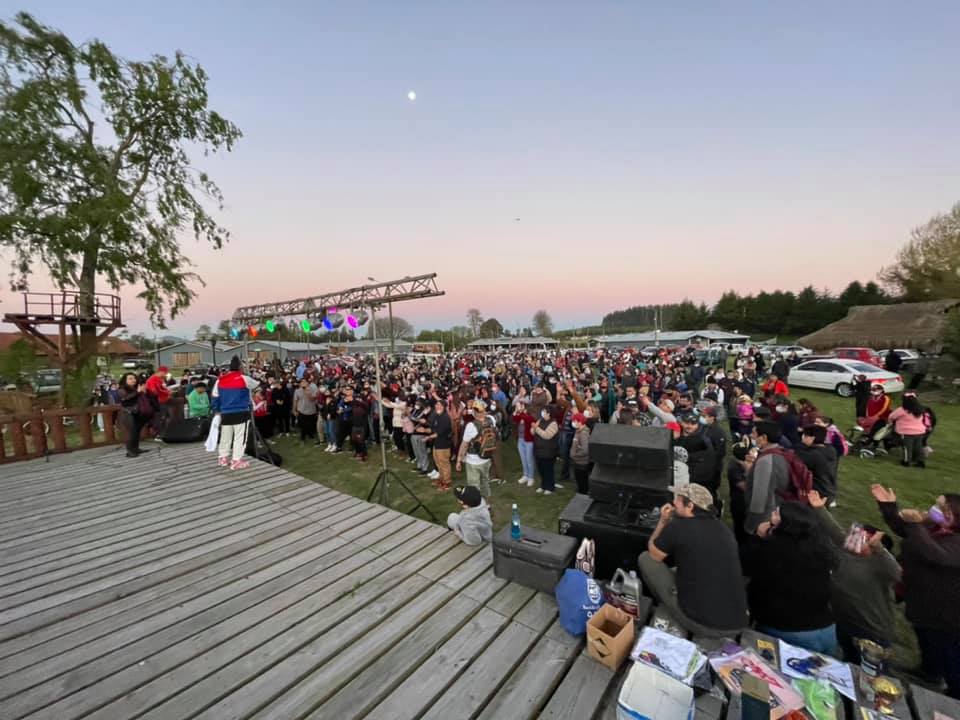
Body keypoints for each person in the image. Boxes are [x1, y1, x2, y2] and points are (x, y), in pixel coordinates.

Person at [872, 485, 960, 698]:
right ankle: (929, 671)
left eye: (940, 506)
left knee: (948, 651)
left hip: (945, 611)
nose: (934, 509)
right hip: (922, 599)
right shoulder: (933, 527)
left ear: (952, 515)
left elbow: (934, 553)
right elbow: (905, 529)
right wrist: (889, 507)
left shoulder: (954, 542)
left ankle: (954, 693)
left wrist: (914, 525)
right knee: (925, 637)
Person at [639, 483, 748, 637]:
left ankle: (668, 605)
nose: (673, 502)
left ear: (690, 505)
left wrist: (663, 521)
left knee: (646, 559)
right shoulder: (724, 530)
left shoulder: (678, 526)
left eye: (678, 499)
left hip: (703, 624)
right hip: (738, 622)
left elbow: (654, 553)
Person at [807, 490, 900, 664]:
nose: (852, 539)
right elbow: (834, 530)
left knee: (871, 671)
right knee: (849, 659)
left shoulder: (879, 565)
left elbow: (896, 572)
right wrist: (819, 508)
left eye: (861, 538)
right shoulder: (847, 551)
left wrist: (880, 550)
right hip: (844, 621)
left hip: (871, 630)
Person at [743, 502, 838, 653]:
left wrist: (758, 537)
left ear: (786, 524)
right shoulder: (820, 548)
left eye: (776, 514)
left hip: (788, 630)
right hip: (826, 629)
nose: (771, 515)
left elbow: (745, 566)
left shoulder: (773, 549)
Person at [211, 355, 260, 469]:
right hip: (240, 411)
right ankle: (236, 460)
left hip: (225, 412)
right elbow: (257, 385)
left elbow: (214, 396)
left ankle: (223, 458)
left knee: (225, 436)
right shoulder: (244, 378)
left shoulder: (220, 380)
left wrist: (217, 410)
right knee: (240, 437)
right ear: (240, 367)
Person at [743, 421, 792, 535]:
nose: (751, 436)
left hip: (763, 519)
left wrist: (751, 526)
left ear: (764, 437)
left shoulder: (766, 461)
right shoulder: (781, 452)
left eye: (754, 433)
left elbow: (760, 500)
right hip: (775, 509)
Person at [456, 400, 495, 501]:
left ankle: (477, 506)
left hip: (473, 460)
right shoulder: (491, 420)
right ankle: (487, 504)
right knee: (485, 482)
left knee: (474, 486)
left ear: (474, 412)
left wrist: (459, 460)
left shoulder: (471, 426)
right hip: (487, 457)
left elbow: (464, 445)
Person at [796, 425, 838, 502]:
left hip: (817, 493)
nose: (802, 437)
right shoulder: (831, 450)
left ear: (812, 438)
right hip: (829, 489)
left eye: (805, 435)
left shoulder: (811, 455)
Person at [888, 392, 927, 468]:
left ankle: (906, 461)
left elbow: (891, 417)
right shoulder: (920, 409)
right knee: (918, 447)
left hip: (906, 432)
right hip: (919, 431)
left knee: (907, 447)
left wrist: (890, 423)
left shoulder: (902, 410)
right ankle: (920, 462)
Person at [532, 404, 560, 495]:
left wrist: (536, 428)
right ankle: (543, 485)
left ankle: (550, 487)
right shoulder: (540, 420)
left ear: (549, 414)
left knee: (548, 469)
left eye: (545, 412)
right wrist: (533, 428)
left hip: (549, 451)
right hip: (538, 450)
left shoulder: (553, 423)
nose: (542, 413)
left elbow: (547, 435)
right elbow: (533, 432)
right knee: (541, 469)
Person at [117, 372, 146, 458]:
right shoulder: (121, 389)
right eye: (130, 378)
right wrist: (138, 392)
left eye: (134, 378)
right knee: (130, 432)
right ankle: (129, 451)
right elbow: (126, 399)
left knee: (136, 431)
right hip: (127, 413)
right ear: (125, 380)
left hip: (136, 412)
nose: (133, 380)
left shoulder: (135, 388)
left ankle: (136, 448)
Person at [427, 398, 453, 491]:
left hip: (443, 444)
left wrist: (428, 437)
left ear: (444, 407)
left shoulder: (445, 417)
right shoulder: (437, 416)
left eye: (439, 405)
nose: (437, 406)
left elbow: (440, 431)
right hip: (437, 443)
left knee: (444, 463)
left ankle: (447, 482)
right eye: (436, 405)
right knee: (438, 462)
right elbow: (433, 428)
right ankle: (441, 478)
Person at [512, 399, 537, 487]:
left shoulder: (531, 416)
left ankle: (531, 477)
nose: (519, 407)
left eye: (521, 406)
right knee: (523, 459)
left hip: (528, 441)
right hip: (521, 440)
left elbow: (528, 419)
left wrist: (520, 411)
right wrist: (516, 411)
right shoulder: (521, 415)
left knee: (529, 459)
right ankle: (525, 475)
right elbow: (514, 418)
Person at [143, 365, 172, 439]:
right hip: (157, 402)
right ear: (161, 372)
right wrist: (167, 392)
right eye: (165, 373)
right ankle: (157, 435)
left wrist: (167, 391)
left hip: (164, 401)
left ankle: (164, 433)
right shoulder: (152, 380)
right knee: (159, 418)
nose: (166, 374)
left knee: (166, 417)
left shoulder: (160, 379)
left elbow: (163, 388)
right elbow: (154, 391)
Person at [569, 412, 591, 494]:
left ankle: (583, 494)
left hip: (582, 462)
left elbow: (585, 450)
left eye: (574, 421)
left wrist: (575, 455)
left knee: (582, 480)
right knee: (579, 479)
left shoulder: (583, 434)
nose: (573, 423)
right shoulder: (578, 431)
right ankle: (581, 491)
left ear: (580, 422)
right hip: (578, 461)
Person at [292, 378, 318, 443]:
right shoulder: (297, 391)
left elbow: (312, 399)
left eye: (305, 382)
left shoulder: (313, 389)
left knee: (310, 425)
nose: (303, 383)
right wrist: (294, 409)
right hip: (301, 410)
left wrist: (307, 391)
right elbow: (295, 401)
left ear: (308, 383)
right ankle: (303, 437)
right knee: (303, 425)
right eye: (302, 382)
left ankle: (310, 435)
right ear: (300, 384)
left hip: (311, 410)